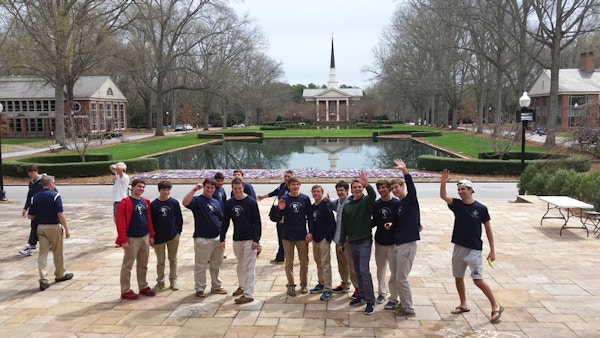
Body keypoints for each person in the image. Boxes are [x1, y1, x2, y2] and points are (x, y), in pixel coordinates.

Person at [439, 169, 503, 323]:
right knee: (458, 277)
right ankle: (463, 304)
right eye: (459, 189)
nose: (460, 192)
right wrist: (443, 183)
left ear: (470, 190)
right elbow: (443, 196)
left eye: (463, 189)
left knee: (477, 280)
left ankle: (495, 306)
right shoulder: (457, 205)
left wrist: (492, 250)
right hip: (458, 247)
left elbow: (488, 230)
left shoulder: (481, 208)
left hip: (474, 249)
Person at [338, 171, 376, 315]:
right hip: (352, 242)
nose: (357, 189)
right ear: (351, 189)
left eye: (360, 187)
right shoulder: (347, 206)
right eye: (355, 187)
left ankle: (370, 301)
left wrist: (368, 186)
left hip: (365, 241)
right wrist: (341, 243)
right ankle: (361, 295)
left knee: (364, 271)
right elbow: (344, 227)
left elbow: (373, 196)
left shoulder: (366, 201)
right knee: (357, 271)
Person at [183, 178, 227, 298]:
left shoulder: (216, 202)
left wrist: (223, 238)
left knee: (216, 264)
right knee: (200, 265)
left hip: (217, 238)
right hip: (202, 238)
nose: (210, 190)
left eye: (212, 188)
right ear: (204, 187)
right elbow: (185, 202)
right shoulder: (197, 201)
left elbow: (221, 219)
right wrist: (194, 190)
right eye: (207, 187)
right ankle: (200, 287)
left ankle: (216, 286)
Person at [27, 175, 73, 291]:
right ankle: (60, 274)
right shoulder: (55, 196)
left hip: (41, 227)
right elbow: (60, 214)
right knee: (58, 251)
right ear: (51, 183)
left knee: (42, 253)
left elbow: (31, 216)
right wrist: (67, 228)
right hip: (54, 227)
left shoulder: (35, 197)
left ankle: (43, 279)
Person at [220, 178, 261, 304]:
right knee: (240, 264)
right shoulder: (229, 203)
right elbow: (225, 222)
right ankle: (242, 286)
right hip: (237, 239)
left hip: (250, 239)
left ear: (243, 188)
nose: (238, 191)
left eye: (240, 188)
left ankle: (248, 294)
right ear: (232, 189)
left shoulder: (251, 202)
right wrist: (222, 239)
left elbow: (257, 222)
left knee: (249, 267)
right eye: (235, 189)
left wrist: (256, 240)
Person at [389, 159, 421, 318]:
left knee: (402, 278)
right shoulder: (400, 204)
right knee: (397, 276)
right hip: (399, 244)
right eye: (392, 188)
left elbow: (412, 189)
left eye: (397, 187)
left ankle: (408, 308)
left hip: (407, 245)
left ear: (402, 187)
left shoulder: (410, 199)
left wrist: (405, 172)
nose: (394, 190)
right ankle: (403, 302)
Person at [115, 179, 156, 300]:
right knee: (127, 265)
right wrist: (123, 240)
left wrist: (151, 235)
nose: (141, 189)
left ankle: (143, 286)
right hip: (131, 238)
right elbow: (120, 222)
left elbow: (148, 220)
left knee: (143, 264)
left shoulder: (145, 202)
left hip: (144, 236)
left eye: (143, 187)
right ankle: (125, 290)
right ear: (132, 187)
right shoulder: (125, 203)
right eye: (139, 186)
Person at [275, 176, 311, 297]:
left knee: (304, 261)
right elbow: (278, 219)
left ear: (299, 185)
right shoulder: (284, 199)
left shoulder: (305, 199)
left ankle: (304, 284)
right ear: (289, 186)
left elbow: (310, 217)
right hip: (287, 236)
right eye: (293, 184)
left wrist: (310, 232)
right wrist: (280, 210)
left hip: (301, 235)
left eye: (297, 184)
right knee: (289, 262)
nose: (295, 186)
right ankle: (290, 285)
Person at [371, 179, 400, 307]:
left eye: (383, 187)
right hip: (380, 241)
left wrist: (393, 225)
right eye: (379, 188)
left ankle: (394, 296)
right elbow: (373, 222)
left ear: (389, 188)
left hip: (393, 242)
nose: (381, 190)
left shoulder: (397, 203)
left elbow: (402, 221)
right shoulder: (376, 204)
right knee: (380, 269)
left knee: (394, 270)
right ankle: (382, 293)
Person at [150, 181, 183, 292]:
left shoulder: (174, 202)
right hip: (159, 238)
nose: (166, 192)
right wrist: (152, 236)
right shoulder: (154, 205)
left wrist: (178, 232)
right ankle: (160, 281)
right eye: (164, 190)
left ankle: (173, 280)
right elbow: (151, 222)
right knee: (160, 261)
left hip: (173, 236)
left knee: (173, 259)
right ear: (159, 190)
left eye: (168, 190)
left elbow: (179, 218)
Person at [327, 180, 359, 296]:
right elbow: (330, 203)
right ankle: (345, 284)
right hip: (338, 238)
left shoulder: (352, 201)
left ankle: (358, 287)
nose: (340, 192)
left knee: (352, 265)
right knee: (342, 263)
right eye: (338, 190)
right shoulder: (338, 202)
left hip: (348, 240)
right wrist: (326, 200)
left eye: (342, 190)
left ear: (347, 191)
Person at [307, 185, 337, 301]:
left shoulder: (326, 205)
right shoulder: (311, 207)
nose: (316, 193)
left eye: (318, 191)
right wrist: (311, 233)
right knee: (318, 262)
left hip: (324, 239)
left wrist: (327, 238)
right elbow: (310, 221)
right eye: (314, 191)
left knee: (325, 264)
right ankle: (321, 283)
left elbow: (332, 223)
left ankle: (328, 289)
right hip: (315, 238)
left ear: (322, 193)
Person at [258, 170, 292, 264]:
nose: (286, 178)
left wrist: (284, 218)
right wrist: (262, 197)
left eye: (289, 177)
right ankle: (281, 256)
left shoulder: (292, 189)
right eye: (285, 176)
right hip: (279, 214)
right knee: (280, 236)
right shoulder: (282, 186)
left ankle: (281, 257)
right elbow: (273, 193)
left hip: (286, 217)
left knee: (285, 237)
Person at [19, 164, 46, 256]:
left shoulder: (43, 181)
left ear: (36, 171)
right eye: (29, 172)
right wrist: (25, 208)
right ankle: (32, 246)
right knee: (35, 226)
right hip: (35, 208)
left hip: (43, 208)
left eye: (32, 172)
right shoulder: (31, 183)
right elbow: (29, 196)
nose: (31, 174)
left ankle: (32, 246)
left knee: (41, 226)